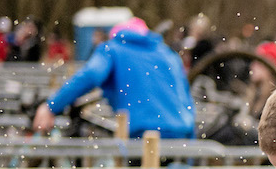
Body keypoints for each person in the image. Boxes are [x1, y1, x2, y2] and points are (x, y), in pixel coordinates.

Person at [33, 17, 197, 137]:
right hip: (181, 133)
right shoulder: (167, 54)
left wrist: (52, 106)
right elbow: (185, 98)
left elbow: (91, 74)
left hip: (143, 134)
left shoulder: (112, 49)